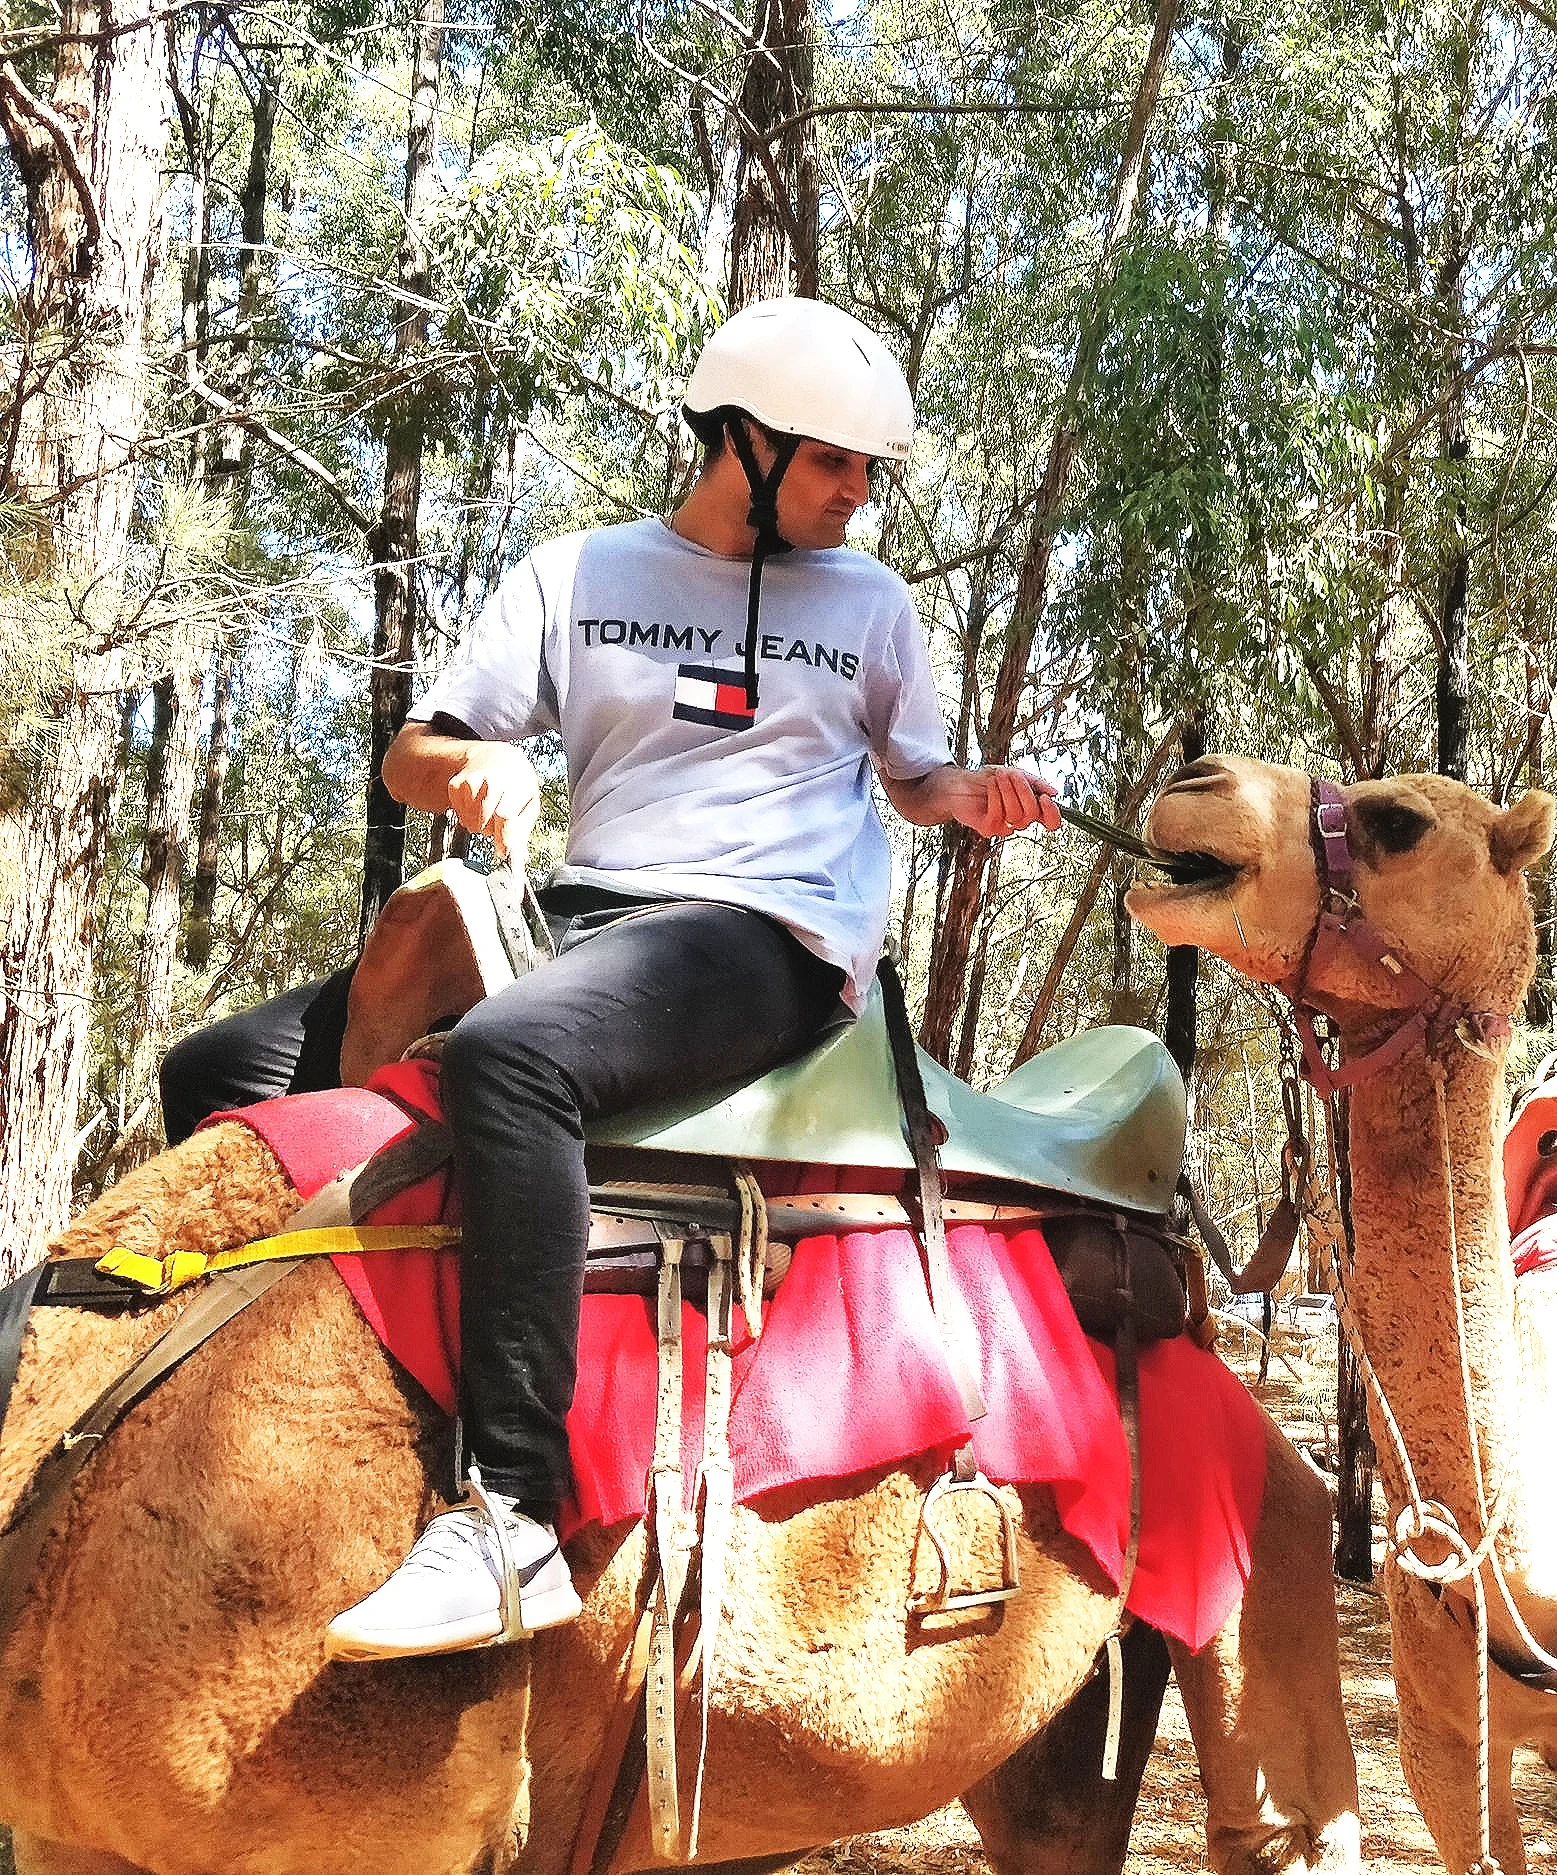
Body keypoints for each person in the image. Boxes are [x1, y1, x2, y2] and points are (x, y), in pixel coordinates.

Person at [163, 298, 1060, 1661]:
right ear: (745, 444)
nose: (858, 495)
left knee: (509, 1057)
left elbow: (913, 773)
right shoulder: (575, 574)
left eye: (869, 471)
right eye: (834, 463)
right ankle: (252, 1409)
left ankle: (511, 1512)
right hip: (594, 917)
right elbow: (421, 750)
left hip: (768, 934)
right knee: (212, 1071)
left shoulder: (870, 602)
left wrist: (970, 792)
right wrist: (476, 765)